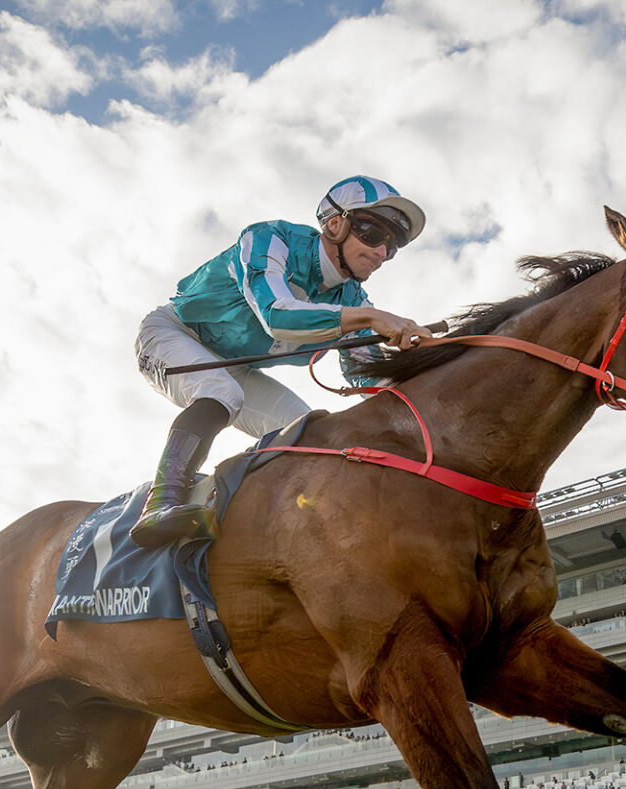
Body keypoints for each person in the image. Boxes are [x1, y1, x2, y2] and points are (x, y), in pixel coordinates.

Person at [129, 174, 431, 549]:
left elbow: (368, 382)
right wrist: (370, 319)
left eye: (392, 245)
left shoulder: (357, 303)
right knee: (221, 391)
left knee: (311, 434)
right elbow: (276, 316)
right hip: (174, 334)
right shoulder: (270, 239)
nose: (381, 253)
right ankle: (162, 501)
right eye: (371, 233)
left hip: (236, 366)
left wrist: (427, 365)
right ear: (335, 224)